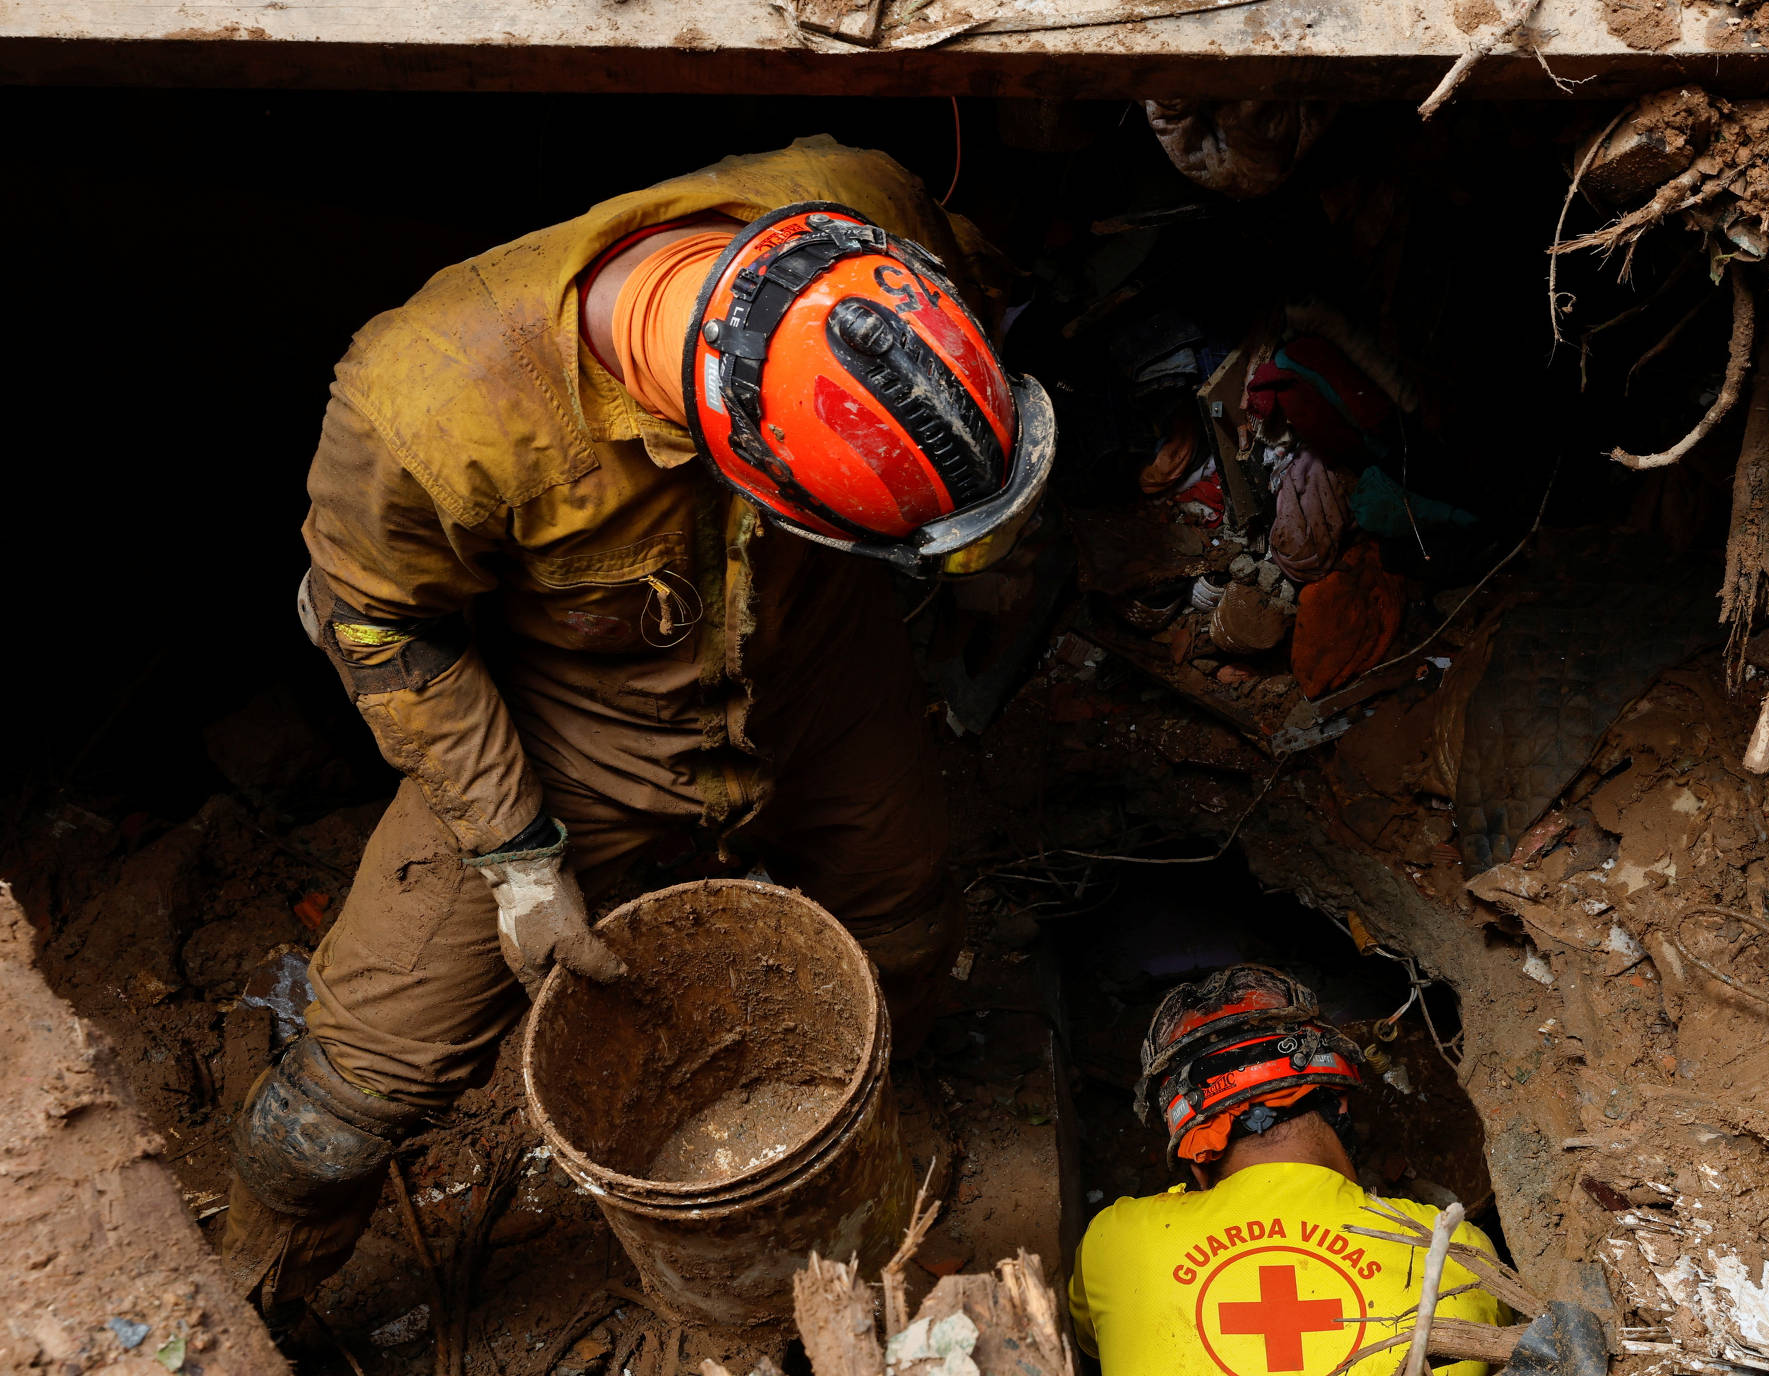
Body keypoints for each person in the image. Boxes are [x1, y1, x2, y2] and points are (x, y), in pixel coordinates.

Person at [222, 137, 1055, 1314]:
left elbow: (974, 307)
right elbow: (382, 629)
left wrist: (978, 541)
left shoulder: (860, 200)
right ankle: (245, 1308)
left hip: (824, 678)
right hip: (574, 741)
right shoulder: (429, 402)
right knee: (339, 1108)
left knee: (908, 932)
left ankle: (867, 1142)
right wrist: (515, 854)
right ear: (736, 453)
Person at [1069, 965, 1507, 1376]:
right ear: (1339, 1106)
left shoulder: (1116, 1239)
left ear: (1195, 1160)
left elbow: (1093, 1341)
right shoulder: (1459, 1251)